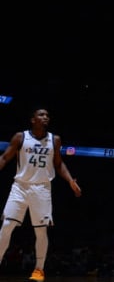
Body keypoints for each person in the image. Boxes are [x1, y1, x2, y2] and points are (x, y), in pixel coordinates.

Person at [0, 107, 82, 282]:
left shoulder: (55, 140)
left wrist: (70, 181)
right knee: (6, 226)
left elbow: (59, 164)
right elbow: (5, 157)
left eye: (47, 115)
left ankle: (39, 270)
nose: (45, 117)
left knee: (41, 231)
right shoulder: (20, 137)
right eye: (41, 115)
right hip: (20, 187)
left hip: (42, 189)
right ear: (33, 119)